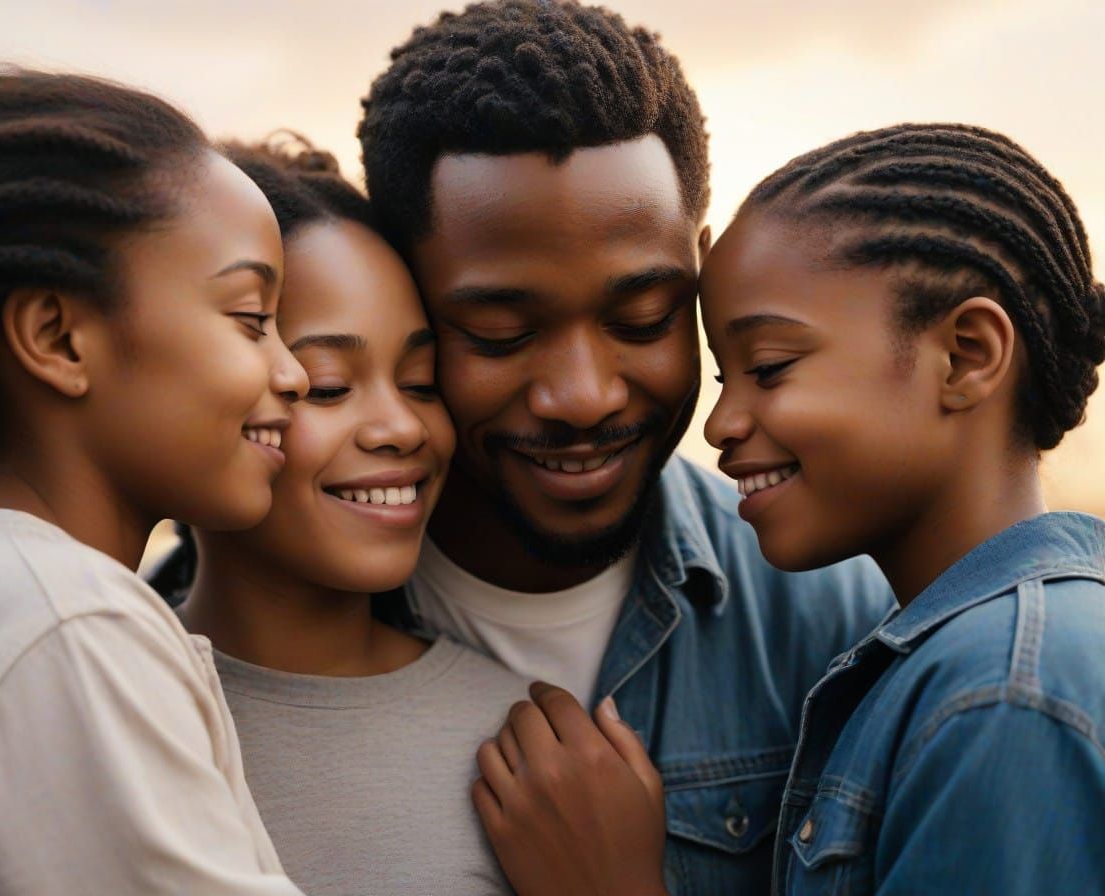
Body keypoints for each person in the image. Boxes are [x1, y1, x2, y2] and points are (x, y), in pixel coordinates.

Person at [356, 2, 894, 891]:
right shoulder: (234, 624)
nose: (583, 396)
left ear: (705, 276)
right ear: (402, 299)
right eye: (499, 331)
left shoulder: (837, 625)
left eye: (642, 319)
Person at [700, 122, 1105, 894]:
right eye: (723, 379)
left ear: (967, 356)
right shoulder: (963, 659)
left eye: (771, 368)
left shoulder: (1004, 700)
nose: (722, 423)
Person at [0, 69, 311, 895]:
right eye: (251, 320)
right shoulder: (65, 623)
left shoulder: (11, 598)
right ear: (59, 337)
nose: (291, 372)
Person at [180, 137, 537, 895]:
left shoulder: (519, 743)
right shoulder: (94, 691)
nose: (400, 428)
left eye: (420, 381)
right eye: (330, 386)